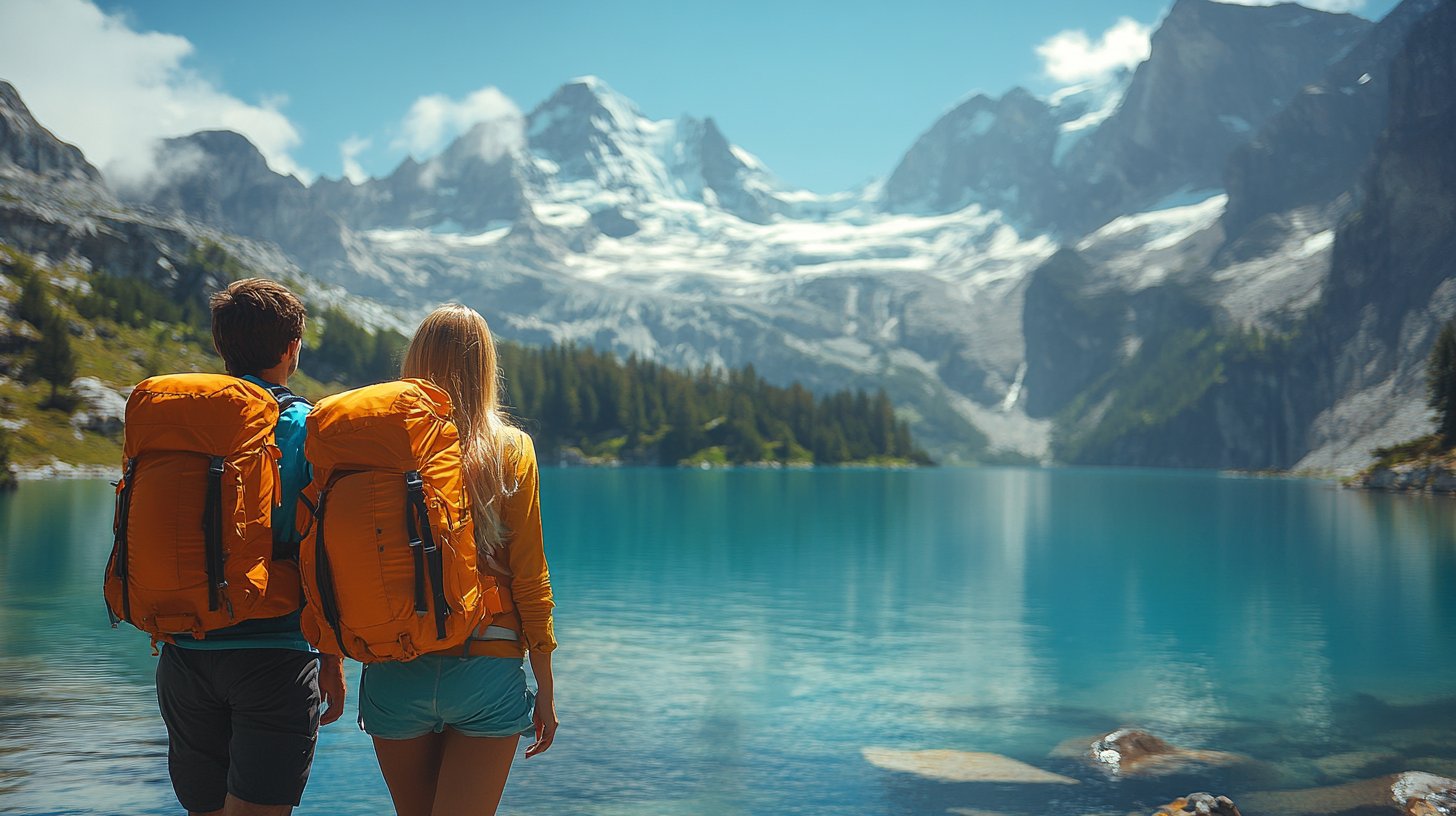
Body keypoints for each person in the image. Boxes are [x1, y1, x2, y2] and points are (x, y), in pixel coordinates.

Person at [155, 278, 346, 816]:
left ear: (222, 347)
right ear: (292, 349)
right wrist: (330, 659)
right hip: (274, 653)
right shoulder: (309, 428)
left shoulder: (179, 423)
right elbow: (320, 553)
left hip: (184, 653)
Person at [358, 304, 558, 816]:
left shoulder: (378, 448)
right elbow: (531, 578)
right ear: (486, 368)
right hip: (487, 672)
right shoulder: (510, 450)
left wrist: (334, 660)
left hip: (395, 667)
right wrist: (546, 686)